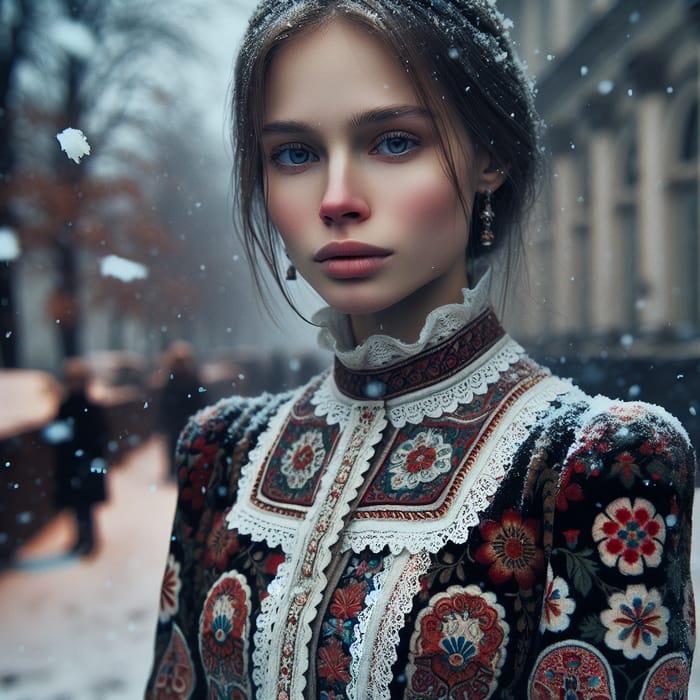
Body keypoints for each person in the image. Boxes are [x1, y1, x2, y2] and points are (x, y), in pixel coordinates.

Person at [145, 1, 696, 697]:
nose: (336, 198)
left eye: (394, 141)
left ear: (489, 157)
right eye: (295, 153)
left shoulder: (593, 467)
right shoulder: (219, 455)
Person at [52, 357, 109, 556]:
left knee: (86, 505)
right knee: (76, 505)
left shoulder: (89, 406)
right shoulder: (65, 406)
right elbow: (58, 433)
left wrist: (93, 457)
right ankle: (80, 539)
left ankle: (89, 540)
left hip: (86, 461)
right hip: (71, 462)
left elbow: (99, 434)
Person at [157, 341, 207, 480]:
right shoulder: (191, 379)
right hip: (185, 421)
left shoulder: (173, 380)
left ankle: (177, 470)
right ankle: (181, 470)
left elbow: (165, 404)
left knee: (177, 447)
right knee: (183, 447)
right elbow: (200, 400)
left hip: (180, 422)